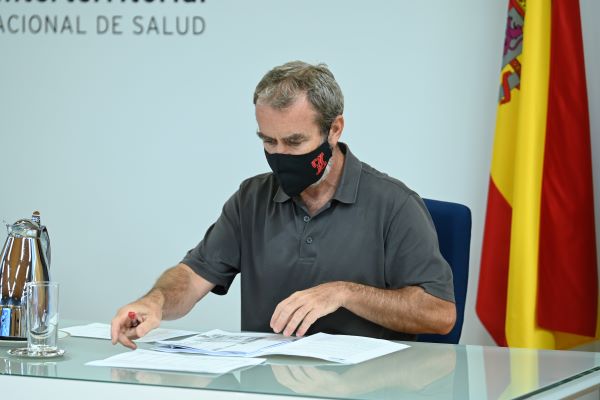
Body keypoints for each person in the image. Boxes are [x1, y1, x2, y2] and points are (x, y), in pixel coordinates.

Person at [111, 61, 456, 350]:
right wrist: (154, 301)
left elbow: (440, 314)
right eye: (268, 141)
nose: (280, 155)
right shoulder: (252, 198)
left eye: (294, 141)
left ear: (334, 129)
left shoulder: (394, 204)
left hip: (369, 388)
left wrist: (344, 292)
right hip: (268, 382)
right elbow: (192, 276)